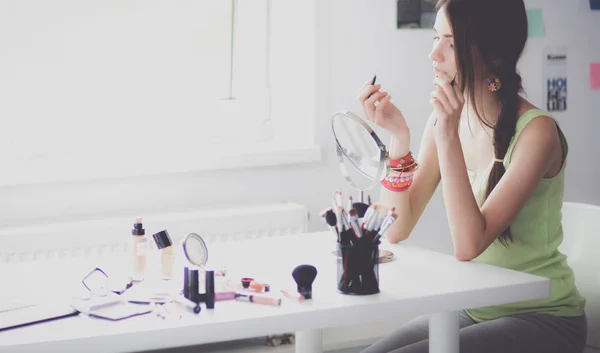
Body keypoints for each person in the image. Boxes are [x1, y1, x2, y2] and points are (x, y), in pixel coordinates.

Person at [356, 0, 587, 352]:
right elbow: (396, 228)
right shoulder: (443, 123)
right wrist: (399, 138)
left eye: (449, 42)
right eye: (435, 37)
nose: (434, 54)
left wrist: (447, 137)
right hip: (476, 310)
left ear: (492, 54)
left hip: (545, 317)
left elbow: (468, 245)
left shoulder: (537, 133)